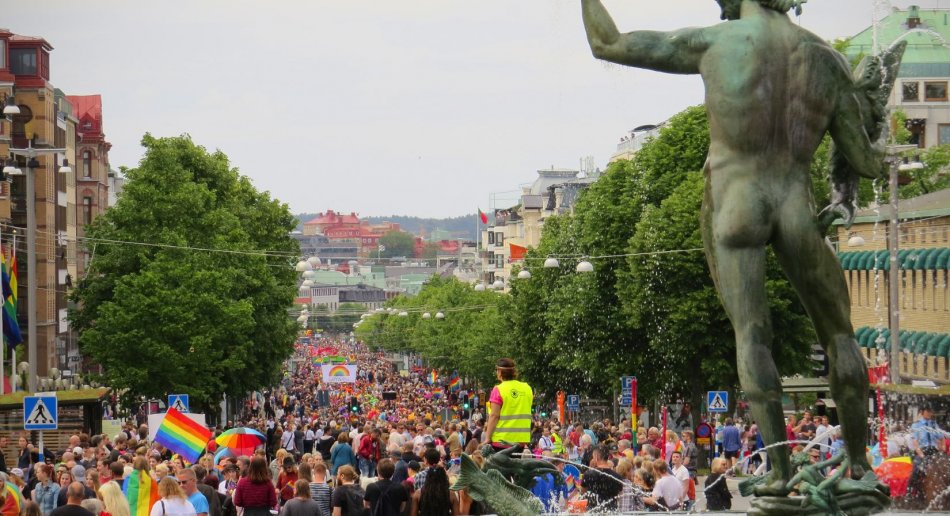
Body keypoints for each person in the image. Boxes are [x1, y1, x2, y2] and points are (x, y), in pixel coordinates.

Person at [582, 0, 887, 495]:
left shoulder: (714, 41)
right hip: (796, 207)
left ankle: (781, 473)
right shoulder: (827, 60)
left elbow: (608, 43)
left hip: (738, 200)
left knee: (753, 336)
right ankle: (858, 466)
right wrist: (879, 118)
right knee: (841, 337)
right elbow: (867, 161)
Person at [482, 358, 533, 447]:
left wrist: (487, 438)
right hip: (522, 441)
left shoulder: (498, 389)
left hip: (502, 441)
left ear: (499, 372)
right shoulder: (527, 388)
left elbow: (494, 415)